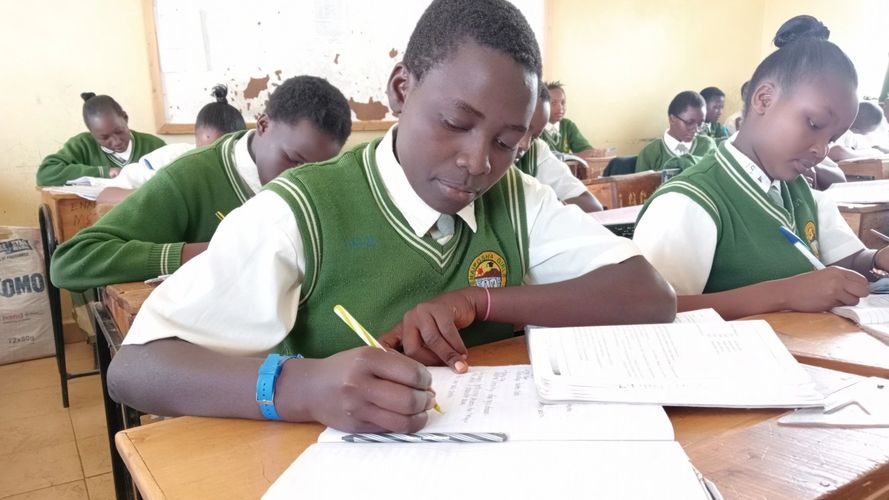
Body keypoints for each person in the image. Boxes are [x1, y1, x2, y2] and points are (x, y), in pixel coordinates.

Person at [107, 0, 675, 434]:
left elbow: (650, 295)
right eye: (456, 122)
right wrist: (301, 388)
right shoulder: (300, 211)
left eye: (508, 142)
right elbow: (135, 371)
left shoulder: (518, 199)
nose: (478, 162)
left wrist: (479, 302)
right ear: (401, 89)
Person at [633, 16, 885, 320]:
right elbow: (648, 314)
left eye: (831, 138)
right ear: (764, 99)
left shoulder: (797, 188)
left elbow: (849, 259)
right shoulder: (688, 202)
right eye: (814, 124)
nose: (821, 149)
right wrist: (784, 294)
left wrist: (878, 258)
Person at [50, 76, 350, 291]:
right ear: (263, 125)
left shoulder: (322, 177)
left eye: (318, 168)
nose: (301, 178)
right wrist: (215, 252)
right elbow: (71, 262)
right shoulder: (188, 176)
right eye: (293, 159)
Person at [36, 93, 165, 186]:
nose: (116, 141)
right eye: (104, 138)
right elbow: (45, 174)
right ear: (91, 133)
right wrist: (103, 172)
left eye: (119, 131)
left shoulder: (154, 146)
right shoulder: (82, 145)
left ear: (125, 118)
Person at [515, 85, 603, 212]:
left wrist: (545, 208)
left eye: (534, 136)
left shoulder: (536, 150)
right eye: (518, 130)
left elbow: (592, 205)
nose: (525, 145)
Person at [635, 91, 716, 172]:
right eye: (689, 122)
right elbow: (638, 184)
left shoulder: (707, 146)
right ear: (672, 119)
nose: (696, 129)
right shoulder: (650, 153)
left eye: (700, 124)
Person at [540, 81, 602, 159]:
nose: (560, 108)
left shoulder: (567, 125)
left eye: (563, 102)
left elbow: (585, 149)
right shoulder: (537, 127)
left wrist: (593, 153)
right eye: (553, 103)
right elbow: (543, 157)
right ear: (542, 105)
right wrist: (575, 156)